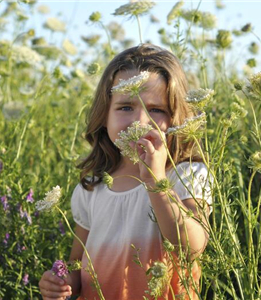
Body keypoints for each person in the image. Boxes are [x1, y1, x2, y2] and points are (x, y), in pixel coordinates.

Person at [39, 43, 212, 300]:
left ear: (176, 117)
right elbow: (77, 264)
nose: (140, 121)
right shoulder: (92, 186)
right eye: (125, 107)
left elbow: (192, 247)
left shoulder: (185, 175)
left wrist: (157, 182)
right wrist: (62, 283)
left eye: (156, 109)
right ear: (104, 115)